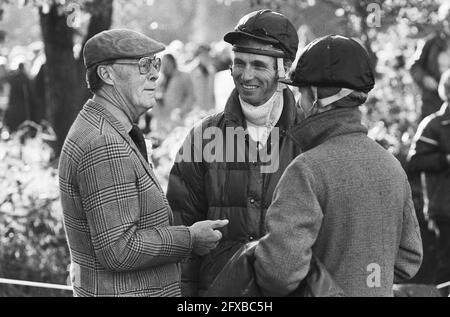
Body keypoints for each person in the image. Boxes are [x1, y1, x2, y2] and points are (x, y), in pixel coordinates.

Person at [58, 29, 228, 297]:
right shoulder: (103, 142)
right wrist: (190, 238)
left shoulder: (106, 128)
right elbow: (119, 250)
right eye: (142, 64)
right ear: (106, 74)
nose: (154, 74)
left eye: (155, 63)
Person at [253, 35, 423, 297]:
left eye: (301, 92)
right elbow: (409, 258)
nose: (298, 103)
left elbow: (278, 273)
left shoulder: (306, 170)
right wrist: (365, 278)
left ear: (315, 95)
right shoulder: (391, 166)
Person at [167, 9, 302, 296]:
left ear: (284, 68)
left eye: (258, 64)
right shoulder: (204, 136)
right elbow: (181, 228)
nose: (246, 75)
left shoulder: (308, 137)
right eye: (239, 63)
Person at [408, 68, 450, 287]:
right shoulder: (433, 125)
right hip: (444, 208)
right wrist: (445, 160)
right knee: (447, 266)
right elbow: (414, 162)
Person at [410, 2, 450, 120]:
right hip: (432, 100)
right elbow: (414, 67)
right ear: (444, 22)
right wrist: (424, 78)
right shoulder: (431, 42)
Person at [154, 54, 195, 127]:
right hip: (163, 121)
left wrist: (181, 111)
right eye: (163, 63)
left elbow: (190, 96)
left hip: (180, 119)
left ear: (173, 62)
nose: (165, 66)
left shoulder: (183, 76)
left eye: (167, 63)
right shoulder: (161, 79)